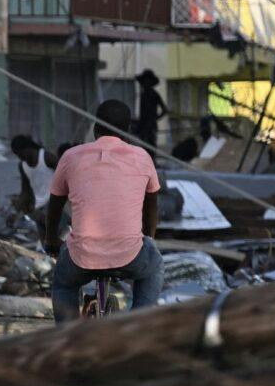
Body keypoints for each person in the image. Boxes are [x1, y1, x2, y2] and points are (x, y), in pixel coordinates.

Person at [42, 99, 162, 323]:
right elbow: (152, 204)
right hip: (130, 254)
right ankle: (138, 327)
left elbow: (55, 205)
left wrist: (50, 240)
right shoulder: (142, 157)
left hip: (82, 257)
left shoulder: (70, 156)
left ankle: (66, 339)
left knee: (63, 284)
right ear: (126, 132)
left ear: (95, 127)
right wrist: (148, 238)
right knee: (154, 268)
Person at [13, 133, 55, 213]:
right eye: (18, 156)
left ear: (28, 148)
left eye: (21, 154)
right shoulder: (22, 166)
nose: (20, 158)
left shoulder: (47, 157)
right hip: (38, 208)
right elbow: (25, 190)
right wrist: (16, 210)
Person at [132, 69, 167, 148]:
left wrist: (153, 119)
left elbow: (164, 110)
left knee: (149, 150)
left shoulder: (153, 94)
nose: (144, 83)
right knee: (144, 149)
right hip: (144, 127)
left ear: (150, 82)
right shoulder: (144, 94)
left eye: (146, 80)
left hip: (149, 129)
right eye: (143, 81)